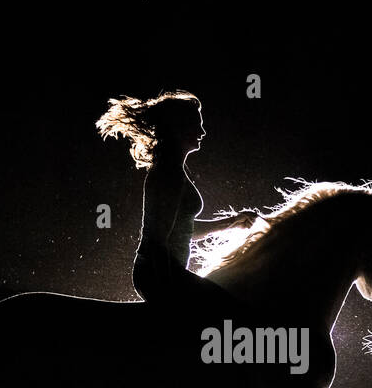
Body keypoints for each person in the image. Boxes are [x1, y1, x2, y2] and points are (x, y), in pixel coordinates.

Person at [96, 91, 256, 308]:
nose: (202, 131)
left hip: (163, 272)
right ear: (178, 128)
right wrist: (170, 292)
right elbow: (157, 242)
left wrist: (232, 223)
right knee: (227, 306)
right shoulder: (169, 173)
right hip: (157, 274)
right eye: (196, 125)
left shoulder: (174, 169)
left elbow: (183, 229)